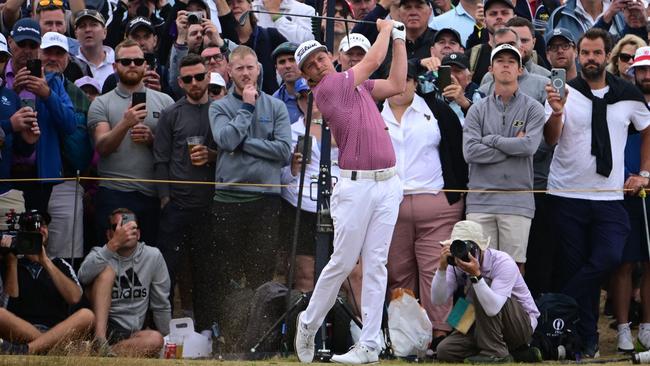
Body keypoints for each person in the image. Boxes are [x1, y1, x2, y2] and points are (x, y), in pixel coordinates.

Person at [293, 18, 406, 364]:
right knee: (342, 261)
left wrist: (399, 39)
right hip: (355, 187)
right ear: (310, 77)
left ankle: (370, 345)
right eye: (310, 65)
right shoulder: (328, 89)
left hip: (388, 184)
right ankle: (309, 322)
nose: (318, 64)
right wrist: (386, 27)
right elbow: (371, 61)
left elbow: (398, 83)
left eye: (320, 58)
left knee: (376, 265)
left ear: (330, 57)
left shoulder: (359, 87)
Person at [544, 28, 650, 358]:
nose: (591, 59)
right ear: (578, 54)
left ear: (607, 56)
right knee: (578, 266)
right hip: (566, 194)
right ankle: (585, 341)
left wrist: (645, 173)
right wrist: (558, 111)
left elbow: (647, 129)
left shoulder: (628, 94)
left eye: (597, 53)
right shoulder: (564, 92)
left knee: (610, 256)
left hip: (610, 197)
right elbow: (550, 139)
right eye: (585, 53)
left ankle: (554, 302)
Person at [201, 45, 291, 331]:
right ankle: (228, 331)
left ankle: (260, 332)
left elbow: (284, 151)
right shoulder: (219, 106)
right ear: (229, 71)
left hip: (266, 201)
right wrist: (247, 108)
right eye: (239, 68)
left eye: (250, 67)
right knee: (226, 271)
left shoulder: (276, 106)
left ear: (259, 68)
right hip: (228, 200)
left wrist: (244, 144)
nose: (245, 73)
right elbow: (225, 140)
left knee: (261, 271)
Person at [383, 63, 466, 348]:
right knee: (398, 273)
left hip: (437, 204)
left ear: (416, 83)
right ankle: (406, 338)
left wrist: (454, 194)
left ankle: (441, 336)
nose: (400, 85)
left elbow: (457, 152)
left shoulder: (438, 111)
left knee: (438, 272)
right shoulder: (372, 113)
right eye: (393, 79)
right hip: (390, 206)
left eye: (405, 79)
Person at [465, 43, 545, 271]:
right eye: (500, 61)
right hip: (480, 201)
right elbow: (470, 152)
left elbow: (529, 147)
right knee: (477, 268)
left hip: (517, 202)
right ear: (490, 68)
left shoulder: (534, 108)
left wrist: (490, 140)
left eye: (512, 61)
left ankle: (512, 310)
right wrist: (512, 145)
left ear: (521, 69)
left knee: (513, 269)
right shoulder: (476, 109)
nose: (506, 65)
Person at [88, 39, 174, 248]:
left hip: (152, 195)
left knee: (150, 259)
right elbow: (102, 146)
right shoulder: (101, 102)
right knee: (113, 258)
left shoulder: (165, 102)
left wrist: (152, 140)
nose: (133, 65)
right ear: (115, 66)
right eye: (126, 61)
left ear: (146, 65)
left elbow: (175, 153)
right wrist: (125, 123)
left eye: (137, 60)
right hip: (114, 192)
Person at [153, 54, 217, 313]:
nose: (195, 83)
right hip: (177, 204)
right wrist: (165, 199)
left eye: (199, 77)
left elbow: (232, 152)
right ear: (180, 82)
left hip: (210, 205)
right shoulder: (171, 114)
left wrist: (212, 156)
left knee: (207, 271)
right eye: (188, 79)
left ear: (208, 76)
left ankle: (208, 331)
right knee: (168, 269)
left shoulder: (220, 110)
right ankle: (163, 330)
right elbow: (160, 160)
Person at [432, 220, 541, 363]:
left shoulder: (503, 262)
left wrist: (476, 275)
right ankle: (515, 354)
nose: (462, 254)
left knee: (482, 287)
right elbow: (437, 300)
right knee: (445, 351)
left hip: (519, 326)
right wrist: (442, 268)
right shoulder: (456, 264)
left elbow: (492, 308)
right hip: (482, 326)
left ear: (479, 248)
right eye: (457, 247)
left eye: (466, 247)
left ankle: (495, 353)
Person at [5, 19, 76, 214]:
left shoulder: (52, 81)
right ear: (10, 42)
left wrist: (47, 94)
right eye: (21, 44)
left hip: (39, 174)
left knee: (36, 236)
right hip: (5, 171)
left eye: (33, 45)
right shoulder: (1, 74)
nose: (27, 50)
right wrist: (12, 92)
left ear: (39, 47)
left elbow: (70, 125)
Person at [78, 208, 171, 357]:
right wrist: (113, 244)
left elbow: (161, 304)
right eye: (119, 227)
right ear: (109, 234)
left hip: (131, 334)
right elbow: (82, 277)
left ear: (138, 233)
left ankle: (101, 355)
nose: (125, 231)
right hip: (102, 326)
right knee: (107, 271)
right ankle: (100, 342)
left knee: (155, 339)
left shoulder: (152, 256)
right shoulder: (100, 253)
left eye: (130, 227)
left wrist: (169, 337)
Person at [0, 212, 95, 355]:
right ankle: (54, 349)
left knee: (87, 315)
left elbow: (75, 298)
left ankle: (28, 350)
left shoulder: (60, 264)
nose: (39, 229)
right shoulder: (12, 263)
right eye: (32, 227)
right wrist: (12, 262)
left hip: (57, 331)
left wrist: (45, 262)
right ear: (22, 234)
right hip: (23, 330)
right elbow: (8, 308)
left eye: (42, 225)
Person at [280, 78, 340, 292]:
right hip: (302, 208)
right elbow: (280, 179)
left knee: (354, 274)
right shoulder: (289, 131)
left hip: (340, 209)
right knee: (305, 275)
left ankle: (355, 326)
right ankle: (307, 324)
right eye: (305, 95)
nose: (311, 100)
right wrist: (293, 169)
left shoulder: (344, 127)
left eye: (317, 94)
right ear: (298, 101)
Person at [39, 31, 93, 268]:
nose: (52, 57)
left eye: (58, 53)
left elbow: (83, 150)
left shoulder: (78, 95)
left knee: (63, 260)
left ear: (68, 58)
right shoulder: (19, 85)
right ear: (39, 54)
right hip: (27, 180)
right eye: (47, 51)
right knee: (22, 254)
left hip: (66, 182)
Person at [612, 46, 650, 352]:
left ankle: (647, 327)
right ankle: (624, 328)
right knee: (623, 263)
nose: (647, 75)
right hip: (624, 190)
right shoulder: (624, 100)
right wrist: (629, 177)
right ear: (632, 72)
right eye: (642, 70)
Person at [216, 0, 289, 94]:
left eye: (240, 1)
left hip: (269, 103)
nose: (235, 6)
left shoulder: (270, 35)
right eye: (230, 3)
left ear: (250, 5)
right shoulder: (222, 41)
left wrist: (284, 92)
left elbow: (294, 60)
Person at [479, 28, 548, 105]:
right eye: (500, 45)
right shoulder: (484, 87)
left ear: (521, 50)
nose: (506, 48)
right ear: (492, 51)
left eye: (511, 44)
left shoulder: (544, 85)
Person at [465, 0, 515, 85]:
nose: (499, 17)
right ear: (484, 20)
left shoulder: (528, 53)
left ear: (514, 17)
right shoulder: (473, 55)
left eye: (504, 13)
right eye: (493, 14)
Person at [72, 9, 114, 90]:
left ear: (104, 32)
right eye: (82, 26)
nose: (88, 30)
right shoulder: (71, 64)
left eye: (93, 25)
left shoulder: (119, 62)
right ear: (76, 34)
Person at [439, 52, 483, 123]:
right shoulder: (433, 93)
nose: (451, 76)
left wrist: (466, 104)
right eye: (447, 71)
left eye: (457, 71)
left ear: (469, 77)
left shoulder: (478, 97)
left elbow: (485, 124)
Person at [252, 0, 316, 44]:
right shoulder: (249, 8)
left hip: (291, 61)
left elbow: (308, 43)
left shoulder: (306, 10)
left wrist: (276, 16)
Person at [271, 42, 302, 123]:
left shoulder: (318, 93)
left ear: (302, 63)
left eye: (292, 60)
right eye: (282, 62)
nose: (287, 66)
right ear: (276, 68)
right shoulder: (274, 101)